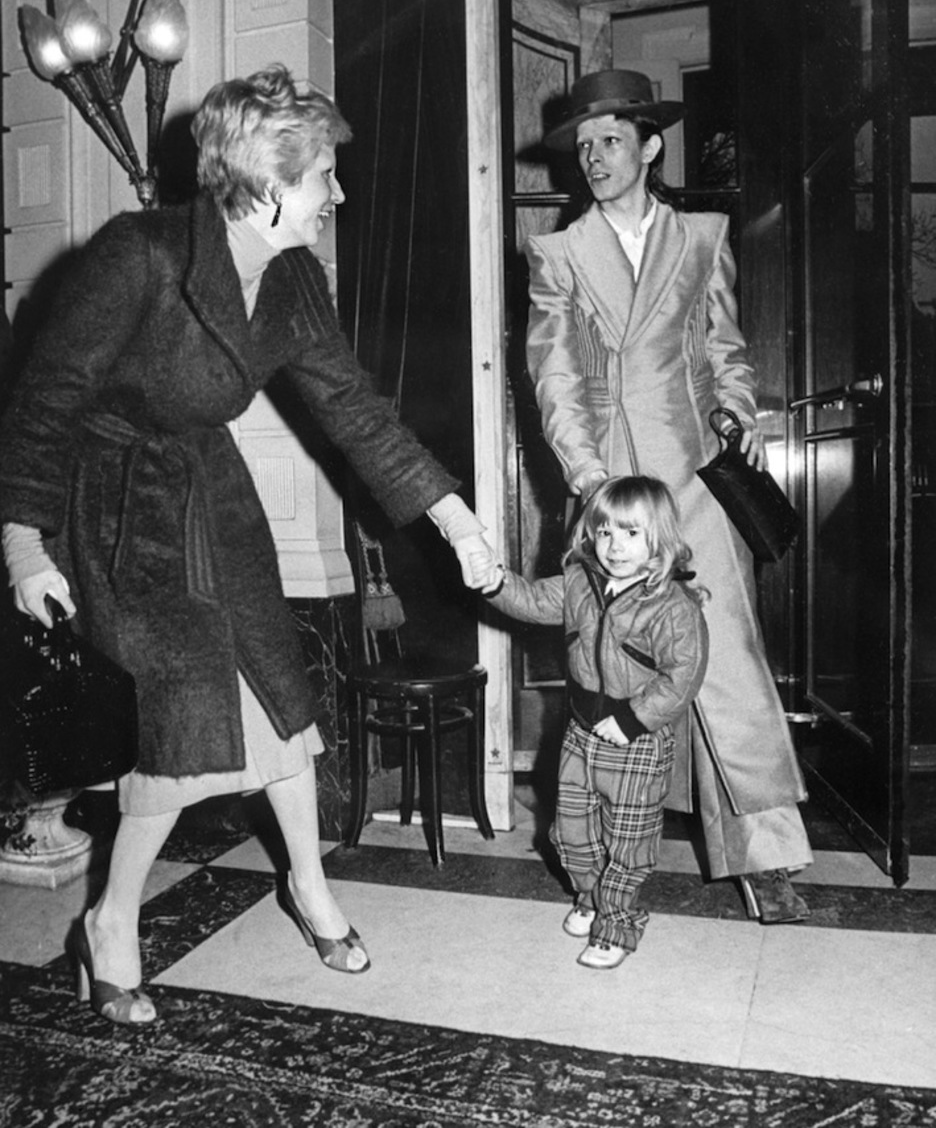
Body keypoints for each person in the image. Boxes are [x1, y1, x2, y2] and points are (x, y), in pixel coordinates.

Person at [0, 63, 499, 1025]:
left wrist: (454, 517)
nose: (338, 196)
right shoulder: (137, 254)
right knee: (182, 712)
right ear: (270, 183)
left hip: (209, 494)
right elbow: (44, 401)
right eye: (325, 178)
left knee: (278, 688)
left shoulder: (294, 277)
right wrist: (25, 546)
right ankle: (110, 923)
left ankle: (306, 886)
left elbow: (354, 407)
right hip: (109, 504)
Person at [523, 68, 813, 924]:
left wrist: (736, 406)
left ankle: (767, 857)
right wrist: (587, 478)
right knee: (614, 669)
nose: (595, 157)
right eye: (584, 147)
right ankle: (605, 861)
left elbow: (723, 344)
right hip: (611, 490)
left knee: (727, 659)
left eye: (611, 140)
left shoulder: (702, 237)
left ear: (651, 146)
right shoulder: (558, 253)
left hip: (694, 480)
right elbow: (553, 376)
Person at [480, 476, 708, 969]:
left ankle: (616, 924)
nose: (615, 547)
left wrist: (633, 719)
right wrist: (495, 583)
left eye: (631, 534)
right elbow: (534, 600)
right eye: (605, 533)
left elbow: (683, 675)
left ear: (660, 539)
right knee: (571, 831)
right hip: (580, 734)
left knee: (628, 839)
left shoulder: (672, 607)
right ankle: (590, 897)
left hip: (636, 741)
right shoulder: (581, 583)